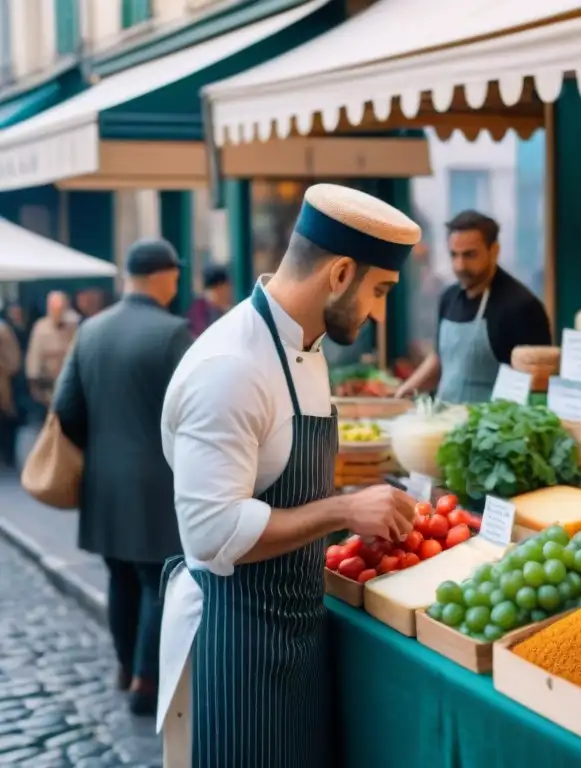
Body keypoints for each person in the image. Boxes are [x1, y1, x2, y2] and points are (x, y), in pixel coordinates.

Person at [158, 184, 419, 766]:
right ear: (341, 273)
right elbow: (213, 533)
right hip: (236, 637)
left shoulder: (309, 346)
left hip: (298, 629)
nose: (379, 313)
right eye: (378, 291)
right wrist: (344, 509)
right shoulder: (230, 368)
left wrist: (351, 504)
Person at [51, 239, 193, 716]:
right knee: (157, 582)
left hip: (103, 481)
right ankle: (145, 681)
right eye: (175, 274)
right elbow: (196, 411)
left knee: (121, 578)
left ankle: (122, 665)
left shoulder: (90, 330)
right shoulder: (173, 332)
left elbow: (66, 408)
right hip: (155, 483)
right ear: (163, 275)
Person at [395, 210, 552, 403]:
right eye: (454, 255)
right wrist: (406, 390)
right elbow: (440, 359)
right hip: (443, 420)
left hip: (489, 428)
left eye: (469, 255)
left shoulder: (522, 307)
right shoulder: (448, 297)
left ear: (494, 251)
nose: (460, 266)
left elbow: (538, 382)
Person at [25, 291, 77, 409]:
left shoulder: (74, 327)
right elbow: (34, 357)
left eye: (61, 308)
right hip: (48, 385)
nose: (58, 312)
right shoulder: (40, 327)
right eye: (55, 308)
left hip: (69, 384)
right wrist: (34, 385)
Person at [186, 264, 233, 337]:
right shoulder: (200, 312)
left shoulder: (198, 308)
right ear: (220, 287)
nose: (229, 293)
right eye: (226, 288)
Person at [0, 313, 20, 466]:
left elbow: (14, 363)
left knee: (5, 420)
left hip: (2, 385)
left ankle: (8, 457)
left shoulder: (3, 330)